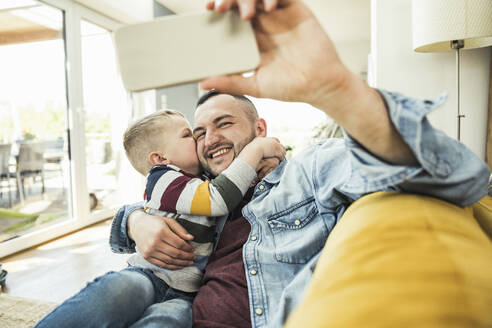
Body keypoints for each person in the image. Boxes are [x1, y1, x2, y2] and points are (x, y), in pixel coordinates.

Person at [35, 109, 285, 328]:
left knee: (170, 319)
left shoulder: (203, 179)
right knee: (116, 293)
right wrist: (257, 149)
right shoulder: (163, 178)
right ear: (160, 158)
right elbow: (216, 198)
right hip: (149, 275)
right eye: (190, 135)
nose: (203, 141)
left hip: (186, 294)